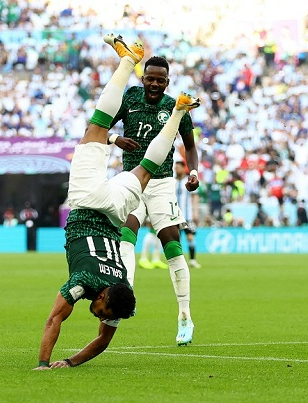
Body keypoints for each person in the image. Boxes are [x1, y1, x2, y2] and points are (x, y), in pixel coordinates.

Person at [35, 34, 200, 370]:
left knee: (145, 168)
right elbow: (74, 328)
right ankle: (129, 61)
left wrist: (52, 362)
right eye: (102, 313)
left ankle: (136, 67)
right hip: (104, 202)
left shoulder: (106, 283)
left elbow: (72, 327)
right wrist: (52, 362)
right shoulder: (89, 284)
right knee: (113, 140)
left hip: (113, 200)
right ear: (106, 297)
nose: (97, 315)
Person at [110, 55, 200, 346]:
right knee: (126, 235)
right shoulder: (130, 98)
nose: (155, 84)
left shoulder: (176, 108)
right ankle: (128, 297)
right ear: (143, 77)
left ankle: (185, 315)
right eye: (150, 78)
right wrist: (115, 140)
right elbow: (99, 126)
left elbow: (190, 147)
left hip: (162, 183)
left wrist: (194, 171)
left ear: (167, 82)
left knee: (172, 244)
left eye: (161, 80)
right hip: (132, 180)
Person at [174, 160, 201, 269]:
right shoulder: (173, 181)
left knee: (190, 237)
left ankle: (193, 260)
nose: (176, 169)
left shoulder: (188, 181)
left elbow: (195, 197)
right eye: (175, 167)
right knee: (176, 239)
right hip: (175, 216)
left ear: (183, 168)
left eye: (178, 167)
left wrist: (195, 212)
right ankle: (178, 262)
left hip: (187, 216)